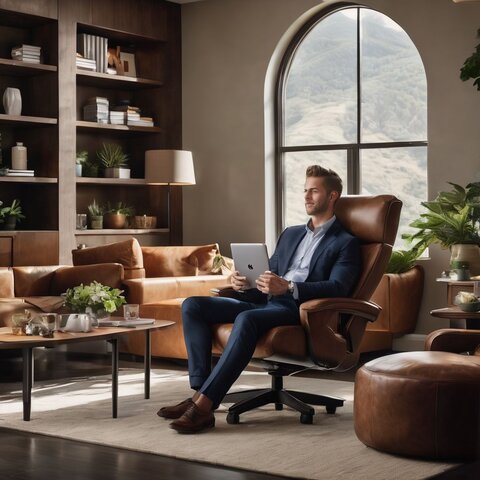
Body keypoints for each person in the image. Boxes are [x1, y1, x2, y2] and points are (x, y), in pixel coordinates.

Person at [157, 165, 361, 434]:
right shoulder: (291, 233)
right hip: (265, 302)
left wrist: (289, 287)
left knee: (247, 317)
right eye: (305, 190)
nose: (306, 196)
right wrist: (244, 285)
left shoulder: (346, 242)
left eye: (314, 191)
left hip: (299, 309)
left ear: (333, 196)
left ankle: (204, 407)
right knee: (193, 305)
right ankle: (199, 393)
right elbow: (268, 275)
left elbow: (339, 287)